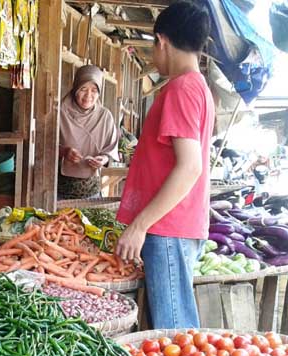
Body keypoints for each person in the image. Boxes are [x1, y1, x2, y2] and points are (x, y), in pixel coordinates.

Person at [115, 0, 214, 330]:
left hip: (168, 228)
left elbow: (189, 167)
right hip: (178, 226)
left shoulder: (182, 89)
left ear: (161, 40)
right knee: (176, 334)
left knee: (174, 336)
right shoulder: (198, 87)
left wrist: (140, 225)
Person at [58, 65, 119, 200]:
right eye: (83, 89)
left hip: (92, 191)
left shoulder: (105, 116)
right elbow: (45, 146)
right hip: (60, 190)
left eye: (94, 90)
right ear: (75, 89)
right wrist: (64, 152)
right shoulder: (59, 112)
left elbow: (110, 149)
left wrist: (103, 159)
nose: (88, 96)